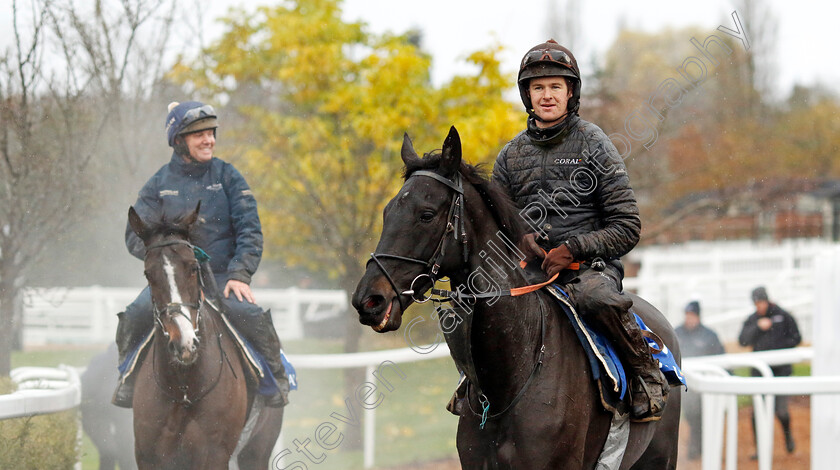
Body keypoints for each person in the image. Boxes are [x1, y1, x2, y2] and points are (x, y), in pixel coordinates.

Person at [491, 39, 667, 421]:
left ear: (571, 92)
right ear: (527, 95)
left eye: (555, 86)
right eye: (538, 88)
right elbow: (496, 225)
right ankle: (474, 386)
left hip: (589, 271)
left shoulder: (595, 143)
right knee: (482, 303)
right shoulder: (508, 156)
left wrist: (573, 249)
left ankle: (646, 375)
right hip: (530, 269)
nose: (547, 95)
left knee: (596, 300)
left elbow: (627, 226)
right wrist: (521, 237)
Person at [112, 101, 289, 408]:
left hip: (222, 277)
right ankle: (126, 379)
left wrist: (240, 274)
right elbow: (134, 234)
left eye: (211, 133)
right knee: (135, 313)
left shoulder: (229, 177)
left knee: (250, 314)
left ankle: (276, 379)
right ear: (179, 140)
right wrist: (166, 261)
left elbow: (250, 230)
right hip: (175, 281)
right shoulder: (158, 184)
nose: (209, 140)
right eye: (199, 135)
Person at [739, 286, 801, 454]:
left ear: (767, 300)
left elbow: (796, 337)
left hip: (781, 372)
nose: (759, 306)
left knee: (781, 411)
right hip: (759, 373)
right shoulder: (753, 320)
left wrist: (778, 348)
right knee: (757, 414)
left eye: (761, 302)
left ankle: (788, 438)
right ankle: (760, 449)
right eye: (756, 303)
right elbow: (742, 341)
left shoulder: (784, 315)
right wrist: (758, 327)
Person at [675, 301, 725, 460]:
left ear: (698, 316)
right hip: (686, 386)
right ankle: (696, 447)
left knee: (701, 416)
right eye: (687, 315)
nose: (689, 318)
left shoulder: (709, 335)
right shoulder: (676, 333)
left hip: (705, 384)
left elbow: (721, 357)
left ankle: (698, 447)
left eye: (692, 315)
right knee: (692, 415)